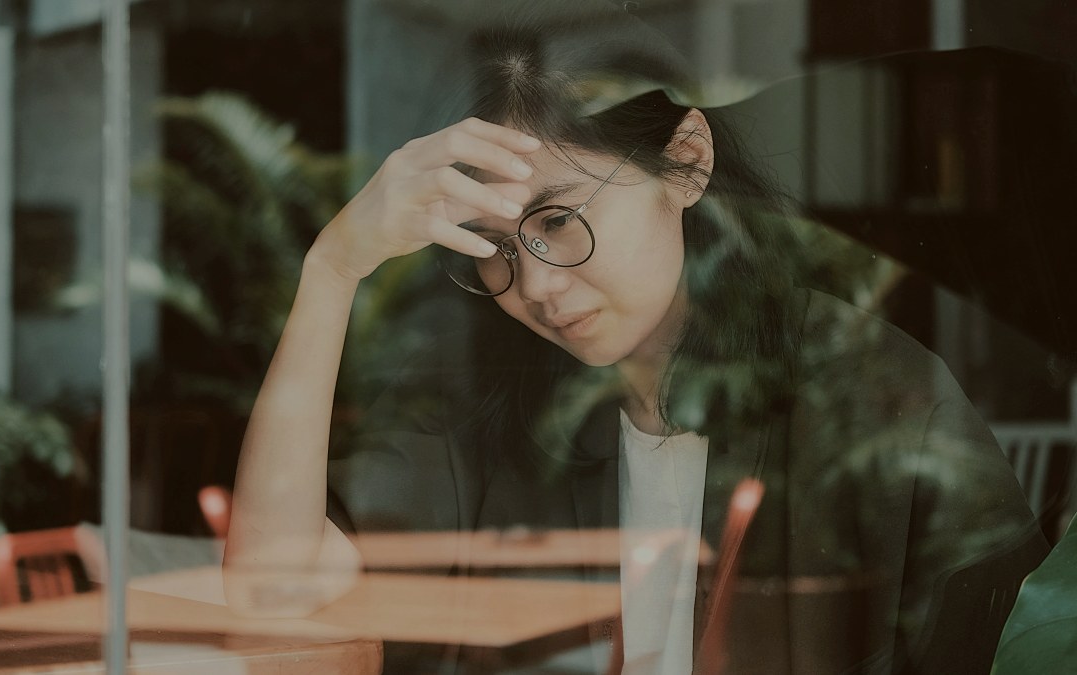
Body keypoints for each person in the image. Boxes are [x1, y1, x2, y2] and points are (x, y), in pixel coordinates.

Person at [224, 9, 1048, 674]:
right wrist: (333, 266)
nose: (537, 284)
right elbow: (272, 587)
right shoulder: (492, 410)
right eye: (497, 249)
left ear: (685, 162)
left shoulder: (876, 395)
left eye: (559, 219)